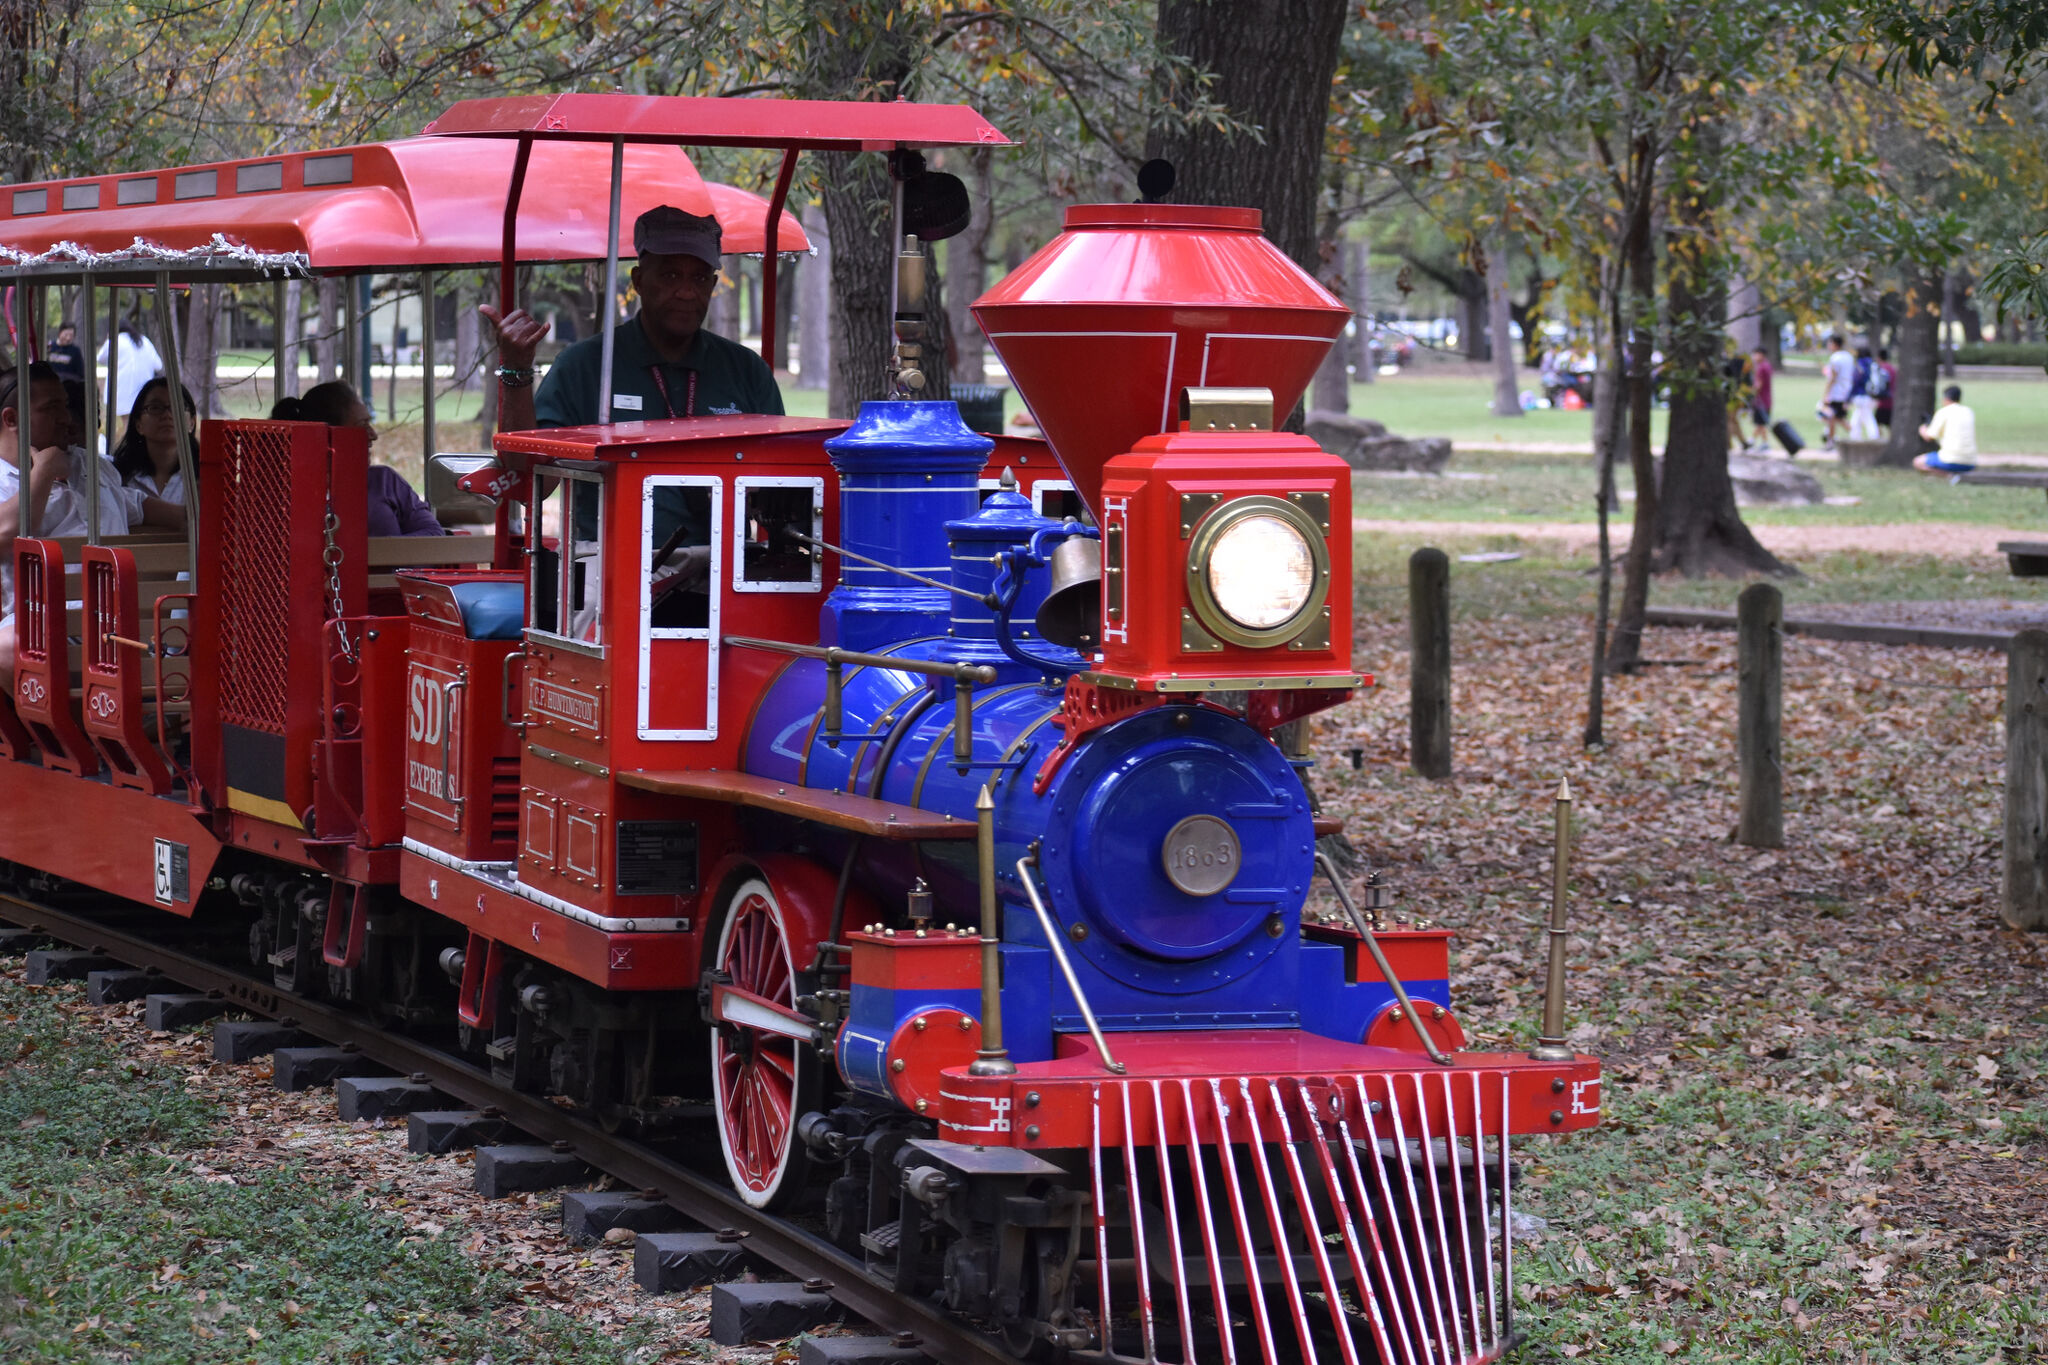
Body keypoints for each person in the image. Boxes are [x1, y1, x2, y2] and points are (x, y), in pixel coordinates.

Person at [482, 206, 783, 620]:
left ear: (714, 285)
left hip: (724, 566)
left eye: (699, 278)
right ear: (639, 281)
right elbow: (531, 477)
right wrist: (516, 372)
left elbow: (780, 489)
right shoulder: (587, 364)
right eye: (670, 275)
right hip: (610, 563)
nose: (686, 291)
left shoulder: (744, 369)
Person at [271, 380, 445, 536]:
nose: (373, 435)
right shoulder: (281, 491)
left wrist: (380, 553)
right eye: (362, 425)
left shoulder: (384, 482)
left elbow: (433, 534)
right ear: (327, 434)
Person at [110, 376, 206, 532]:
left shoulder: (205, 477)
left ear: (192, 423)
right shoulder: (117, 476)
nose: (167, 415)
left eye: (177, 406)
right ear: (138, 424)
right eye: (155, 408)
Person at [97, 317, 164, 420]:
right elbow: (158, 365)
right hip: (144, 389)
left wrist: (108, 339)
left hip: (122, 389)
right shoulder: (144, 340)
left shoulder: (115, 340)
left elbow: (100, 358)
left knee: (127, 423)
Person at [1913, 386, 1978, 475]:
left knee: (1917, 462)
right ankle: (1956, 475)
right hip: (1971, 462)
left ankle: (1948, 476)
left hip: (1949, 460)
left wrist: (1922, 429)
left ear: (1946, 398)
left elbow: (1928, 437)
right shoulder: (1969, 412)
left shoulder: (1943, 412)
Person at [1818, 332, 1854, 452]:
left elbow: (1833, 378)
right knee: (1838, 417)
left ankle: (1831, 441)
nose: (1828, 346)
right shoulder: (1848, 357)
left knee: (1831, 417)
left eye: (1830, 343)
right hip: (1846, 391)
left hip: (1836, 392)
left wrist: (1826, 394)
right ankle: (1849, 436)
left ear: (1834, 344)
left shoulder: (1835, 358)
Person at [1847, 344, 1880, 441]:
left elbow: (1855, 382)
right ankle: (1855, 438)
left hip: (1862, 396)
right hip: (1872, 396)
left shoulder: (1860, 365)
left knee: (1868, 419)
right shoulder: (1873, 364)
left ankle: (1874, 438)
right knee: (1857, 418)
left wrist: (1848, 398)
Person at [1747, 347, 1774, 451]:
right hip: (1766, 399)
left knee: (1761, 423)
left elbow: (1759, 385)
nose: (1754, 357)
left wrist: (1750, 392)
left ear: (1761, 355)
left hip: (1761, 400)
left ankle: (1756, 441)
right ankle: (1757, 441)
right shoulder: (1767, 366)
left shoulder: (1762, 368)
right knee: (1761, 423)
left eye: (1756, 354)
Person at [1873, 347, 1897, 432]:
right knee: (1889, 423)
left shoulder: (1881, 369)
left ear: (1879, 357)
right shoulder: (1893, 369)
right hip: (1892, 399)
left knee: (1876, 423)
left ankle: (1880, 440)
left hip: (1883, 401)